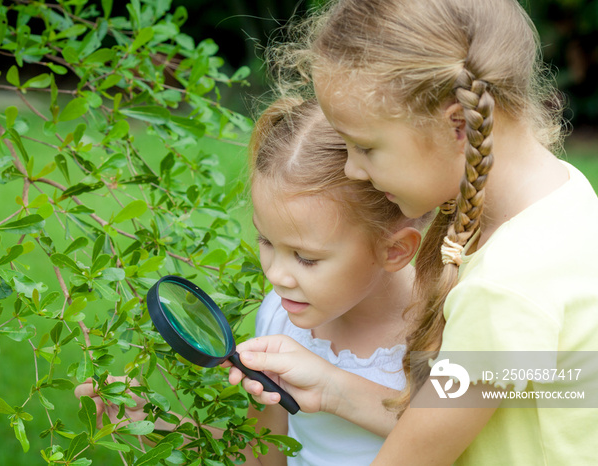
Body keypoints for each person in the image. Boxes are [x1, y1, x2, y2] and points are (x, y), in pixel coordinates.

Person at [227, 0, 598, 465]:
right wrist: (332, 387)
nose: (352, 169)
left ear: (458, 125)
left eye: (365, 147)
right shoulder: (567, 200)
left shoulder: (506, 291)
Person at [75, 97, 427, 465]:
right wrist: (153, 422)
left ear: (395, 251)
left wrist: (333, 389)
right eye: (265, 241)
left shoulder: (456, 320)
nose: (274, 275)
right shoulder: (280, 316)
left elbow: (479, 433)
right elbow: (266, 455)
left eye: (306, 257)